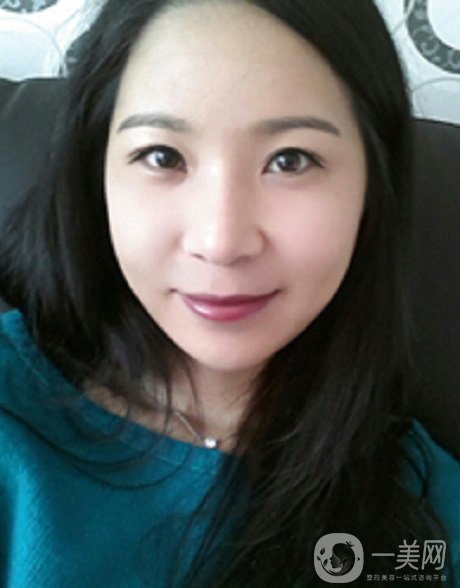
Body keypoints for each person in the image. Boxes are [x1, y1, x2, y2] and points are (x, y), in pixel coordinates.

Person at [0, 0, 458, 586]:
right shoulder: (15, 427)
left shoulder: (429, 512)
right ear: (97, 177)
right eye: (162, 156)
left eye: (290, 160)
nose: (221, 243)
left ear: (373, 186)